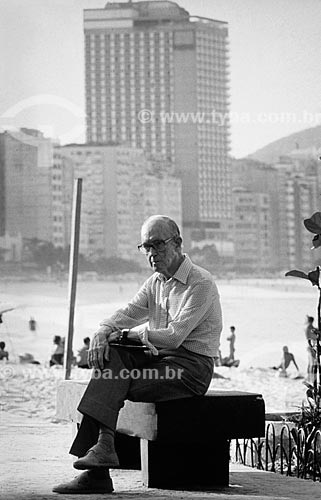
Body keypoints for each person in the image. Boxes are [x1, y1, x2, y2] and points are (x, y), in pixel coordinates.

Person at [53, 215, 223, 494]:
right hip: (160, 360)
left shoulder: (200, 282)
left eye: (158, 244)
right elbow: (128, 312)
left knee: (112, 377)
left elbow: (174, 335)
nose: (152, 253)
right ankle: (103, 452)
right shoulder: (155, 282)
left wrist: (125, 335)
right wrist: (103, 331)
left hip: (190, 369)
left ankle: (98, 469)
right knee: (114, 358)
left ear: (178, 242)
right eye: (146, 247)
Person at [305, 315, 318, 382]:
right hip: (312, 346)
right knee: (312, 363)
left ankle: (309, 377)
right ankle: (311, 378)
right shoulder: (310, 328)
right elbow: (314, 337)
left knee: (310, 363)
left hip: (310, 346)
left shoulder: (309, 327)